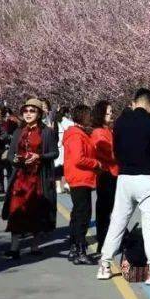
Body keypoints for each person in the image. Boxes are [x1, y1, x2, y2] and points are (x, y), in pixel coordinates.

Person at [97, 88, 150, 286]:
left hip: (125, 177)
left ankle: (105, 264)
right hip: (148, 177)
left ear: (134, 102)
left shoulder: (121, 123)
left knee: (118, 221)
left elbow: (116, 150)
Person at [3, 98, 58, 258]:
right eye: (25, 111)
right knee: (15, 210)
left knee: (36, 211)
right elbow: (11, 153)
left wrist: (39, 156)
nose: (28, 114)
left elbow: (55, 153)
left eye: (32, 111)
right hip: (20, 178)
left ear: (39, 113)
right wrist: (15, 159)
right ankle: (14, 248)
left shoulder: (47, 131)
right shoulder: (18, 132)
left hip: (38, 178)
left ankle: (35, 246)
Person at [63, 104, 100, 265]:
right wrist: (96, 163)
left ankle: (74, 247)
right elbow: (79, 158)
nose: (90, 118)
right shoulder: (76, 136)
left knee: (77, 214)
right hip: (80, 178)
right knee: (82, 215)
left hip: (78, 178)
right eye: (88, 115)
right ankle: (80, 250)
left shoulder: (78, 133)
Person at [90, 100, 118, 254]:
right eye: (108, 112)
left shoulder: (109, 130)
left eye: (111, 112)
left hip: (114, 172)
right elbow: (106, 153)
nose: (111, 115)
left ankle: (109, 240)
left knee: (111, 209)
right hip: (106, 173)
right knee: (104, 210)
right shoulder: (98, 132)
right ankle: (103, 241)